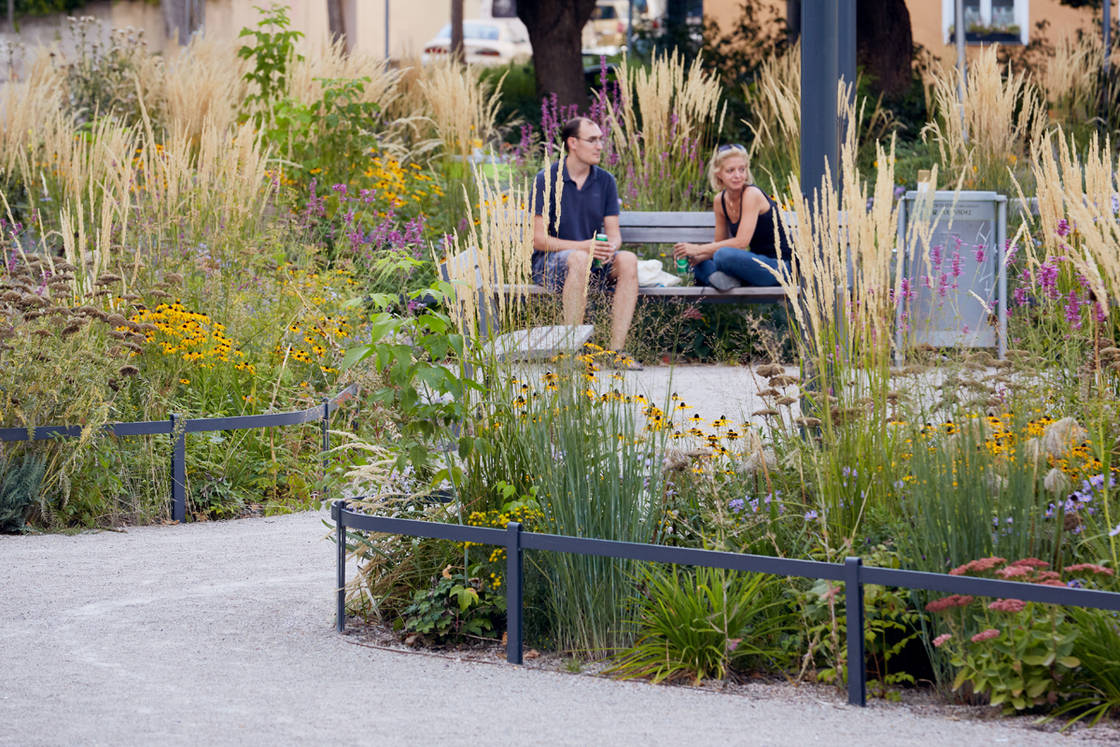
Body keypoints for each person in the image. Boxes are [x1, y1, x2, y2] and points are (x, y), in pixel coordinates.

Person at [532, 117, 641, 368]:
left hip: (591, 263)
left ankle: (617, 352)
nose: (600, 146)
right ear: (572, 142)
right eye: (592, 140)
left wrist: (608, 248)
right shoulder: (546, 179)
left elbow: (613, 234)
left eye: (601, 140)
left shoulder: (605, 181)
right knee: (579, 258)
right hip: (550, 265)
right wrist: (584, 247)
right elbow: (539, 240)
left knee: (628, 259)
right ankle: (569, 352)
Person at [672, 144, 792, 292]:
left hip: (778, 267)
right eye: (730, 171)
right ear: (719, 174)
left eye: (742, 169)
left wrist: (698, 249)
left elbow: (741, 243)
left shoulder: (751, 194)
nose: (738, 175)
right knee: (697, 262)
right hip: (751, 264)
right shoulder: (719, 200)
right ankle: (721, 279)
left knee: (723, 255)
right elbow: (720, 243)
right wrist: (697, 256)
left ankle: (719, 279)